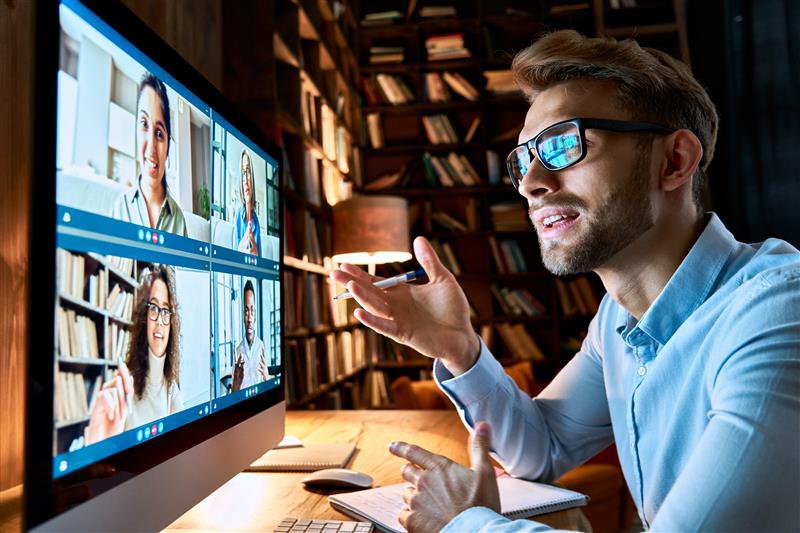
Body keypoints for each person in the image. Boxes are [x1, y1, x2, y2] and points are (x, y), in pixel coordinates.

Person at [331, 30, 800, 532]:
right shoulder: (619, 319)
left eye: (564, 145)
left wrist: (465, 524)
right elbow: (542, 449)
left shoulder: (778, 311)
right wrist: (460, 349)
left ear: (674, 161)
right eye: (523, 160)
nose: (531, 184)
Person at [85, 264, 184, 443]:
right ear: (144, 318)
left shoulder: (172, 390)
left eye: (166, 310)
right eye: (153, 308)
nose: (160, 321)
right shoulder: (124, 386)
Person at [112, 72, 188, 237]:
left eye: (159, 133)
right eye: (144, 124)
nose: (151, 148)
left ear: (168, 147)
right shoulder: (121, 207)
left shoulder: (179, 220)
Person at [231, 280, 270, 392]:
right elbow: (234, 393)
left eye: (252, 311)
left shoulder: (261, 346)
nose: (249, 318)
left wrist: (267, 377)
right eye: (246, 311)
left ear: (255, 315)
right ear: (243, 315)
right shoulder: (238, 352)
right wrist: (235, 385)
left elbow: (267, 387)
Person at [234, 149, 261, 256]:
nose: (245, 179)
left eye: (248, 171)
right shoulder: (238, 216)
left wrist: (256, 254)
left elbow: (260, 258)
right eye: (243, 173)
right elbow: (234, 257)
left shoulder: (256, 220)